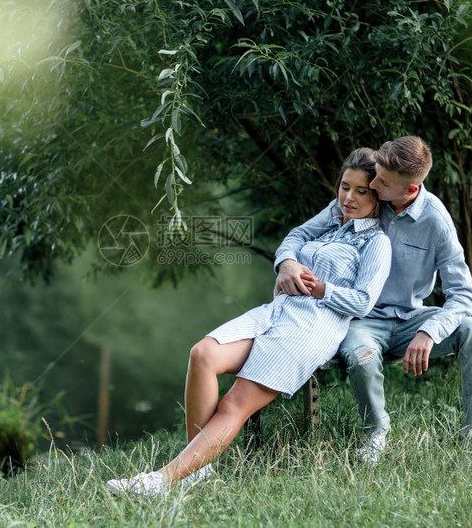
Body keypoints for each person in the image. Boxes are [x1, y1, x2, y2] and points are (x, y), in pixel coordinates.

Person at [106, 148, 392, 496]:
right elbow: (295, 237)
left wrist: (320, 289)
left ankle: (161, 481)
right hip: (276, 311)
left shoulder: (376, 242)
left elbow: (363, 301)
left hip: (312, 329)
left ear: (376, 196)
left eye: (361, 191)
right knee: (203, 354)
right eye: (345, 186)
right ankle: (198, 469)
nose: (349, 197)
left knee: (234, 404)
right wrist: (286, 263)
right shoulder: (334, 215)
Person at [276, 136, 472, 473]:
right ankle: (375, 434)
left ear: (410, 189)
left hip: (411, 318)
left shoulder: (436, 221)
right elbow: (299, 234)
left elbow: (464, 295)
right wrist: (286, 263)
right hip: (360, 318)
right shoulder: (363, 200)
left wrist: (430, 331)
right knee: (361, 357)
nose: (371, 184)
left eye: (382, 182)